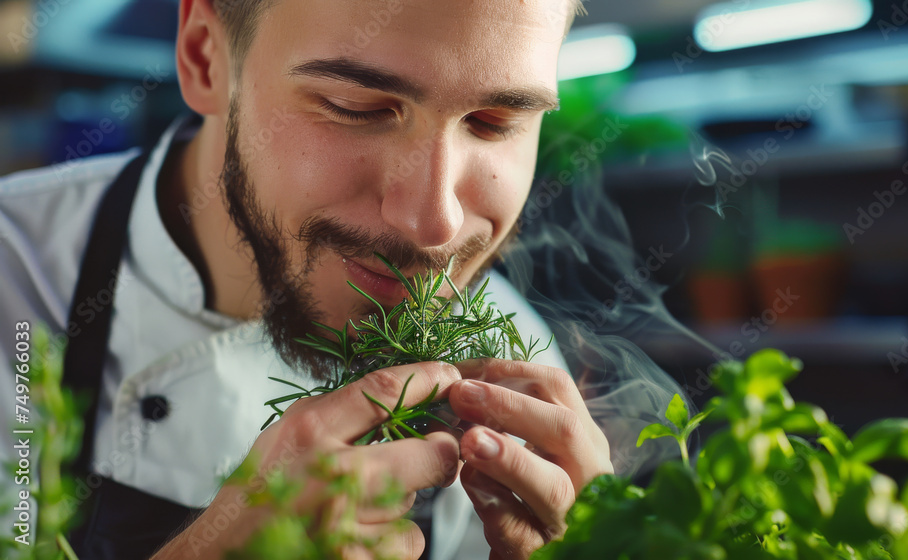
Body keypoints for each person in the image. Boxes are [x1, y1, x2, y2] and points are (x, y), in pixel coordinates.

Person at [0, 0, 621, 558]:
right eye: (356, 108)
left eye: (494, 122)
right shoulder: (16, 269)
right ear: (205, 57)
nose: (433, 222)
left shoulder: (514, 353)